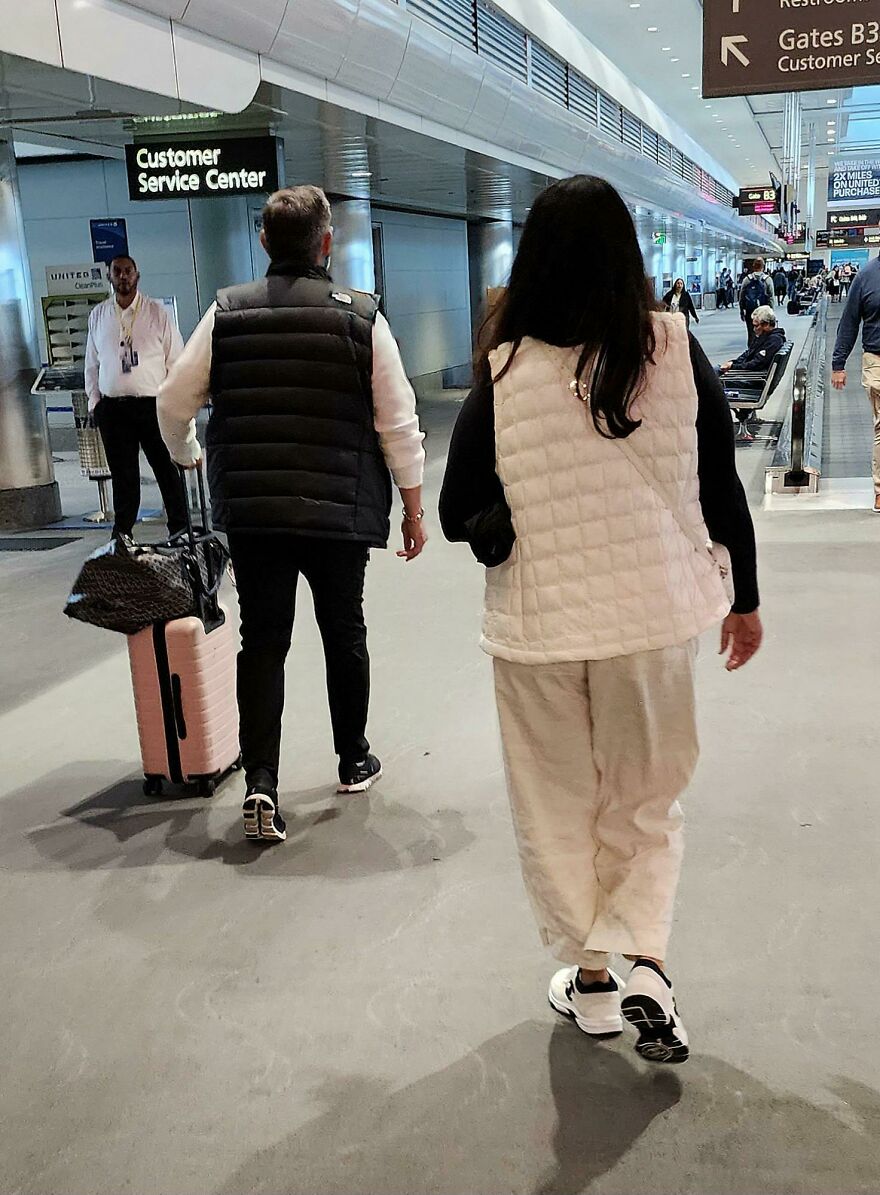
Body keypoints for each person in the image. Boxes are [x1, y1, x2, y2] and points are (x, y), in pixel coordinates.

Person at [439, 175, 763, 1065]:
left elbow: (459, 500)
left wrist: (504, 524)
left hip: (540, 628)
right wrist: (745, 597)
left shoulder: (505, 372)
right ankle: (650, 965)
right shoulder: (672, 345)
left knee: (557, 801)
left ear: (530, 261)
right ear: (629, 256)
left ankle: (591, 982)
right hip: (653, 622)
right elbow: (718, 483)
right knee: (646, 795)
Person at [158, 185, 427, 842]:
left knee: (263, 642)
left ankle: (262, 783)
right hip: (339, 511)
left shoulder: (227, 313)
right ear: (326, 243)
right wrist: (414, 508)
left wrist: (188, 453)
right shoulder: (362, 316)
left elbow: (170, 402)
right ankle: (353, 756)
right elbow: (398, 422)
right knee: (345, 632)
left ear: (263, 243)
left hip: (256, 513)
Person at [84, 255, 188, 540]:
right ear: (109, 276)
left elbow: (175, 360)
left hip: (152, 405)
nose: (123, 277)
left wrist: (173, 403)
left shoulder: (157, 313)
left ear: (137, 275)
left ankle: (179, 526)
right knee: (123, 474)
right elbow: (91, 364)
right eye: (117, 272)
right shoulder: (99, 316)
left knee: (166, 468)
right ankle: (123, 532)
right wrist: (95, 403)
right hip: (114, 408)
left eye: (128, 271)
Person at [831, 254, 880, 512]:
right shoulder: (866, 276)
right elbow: (849, 322)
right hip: (876, 361)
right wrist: (838, 364)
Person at [717, 306, 786, 375]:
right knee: (714, 371)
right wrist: (733, 363)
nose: (754, 329)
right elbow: (748, 353)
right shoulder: (764, 337)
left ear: (766, 324)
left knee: (713, 373)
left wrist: (733, 367)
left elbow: (757, 364)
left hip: (752, 376)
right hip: (748, 373)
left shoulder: (773, 340)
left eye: (756, 326)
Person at [739, 258, 775, 345]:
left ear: (753, 266)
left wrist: (742, 311)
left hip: (750, 311)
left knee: (751, 334)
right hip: (764, 311)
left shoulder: (747, 279)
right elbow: (771, 297)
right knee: (765, 334)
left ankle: (751, 351)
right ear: (763, 267)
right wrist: (771, 311)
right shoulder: (767, 279)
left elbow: (741, 297)